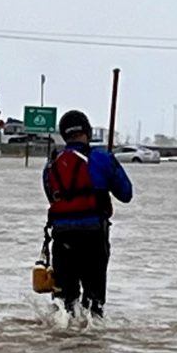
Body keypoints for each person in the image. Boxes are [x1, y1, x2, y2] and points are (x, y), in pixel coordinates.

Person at [41, 109, 133, 317]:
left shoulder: (52, 164)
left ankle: (63, 332)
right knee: (94, 301)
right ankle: (92, 332)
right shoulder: (102, 158)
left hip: (62, 236)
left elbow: (51, 196)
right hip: (93, 236)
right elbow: (126, 194)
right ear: (88, 132)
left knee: (65, 303)